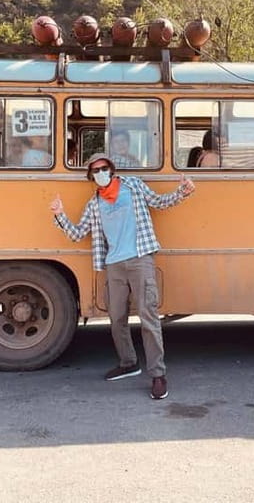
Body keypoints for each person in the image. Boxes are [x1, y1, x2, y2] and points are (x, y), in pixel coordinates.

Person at [49, 153, 195, 399]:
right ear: (91, 177)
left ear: (112, 169)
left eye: (104, 168)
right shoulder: (94, 204)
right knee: (117, 318)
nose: (100, 173)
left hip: (140, 258)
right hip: (114, 264)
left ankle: (158, 375)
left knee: (148, 317)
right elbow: (77, 234)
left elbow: (159, 202)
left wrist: (182, 192)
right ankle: (128, 363)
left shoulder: (133, 186)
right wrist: (59, 214)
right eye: (95, 171)